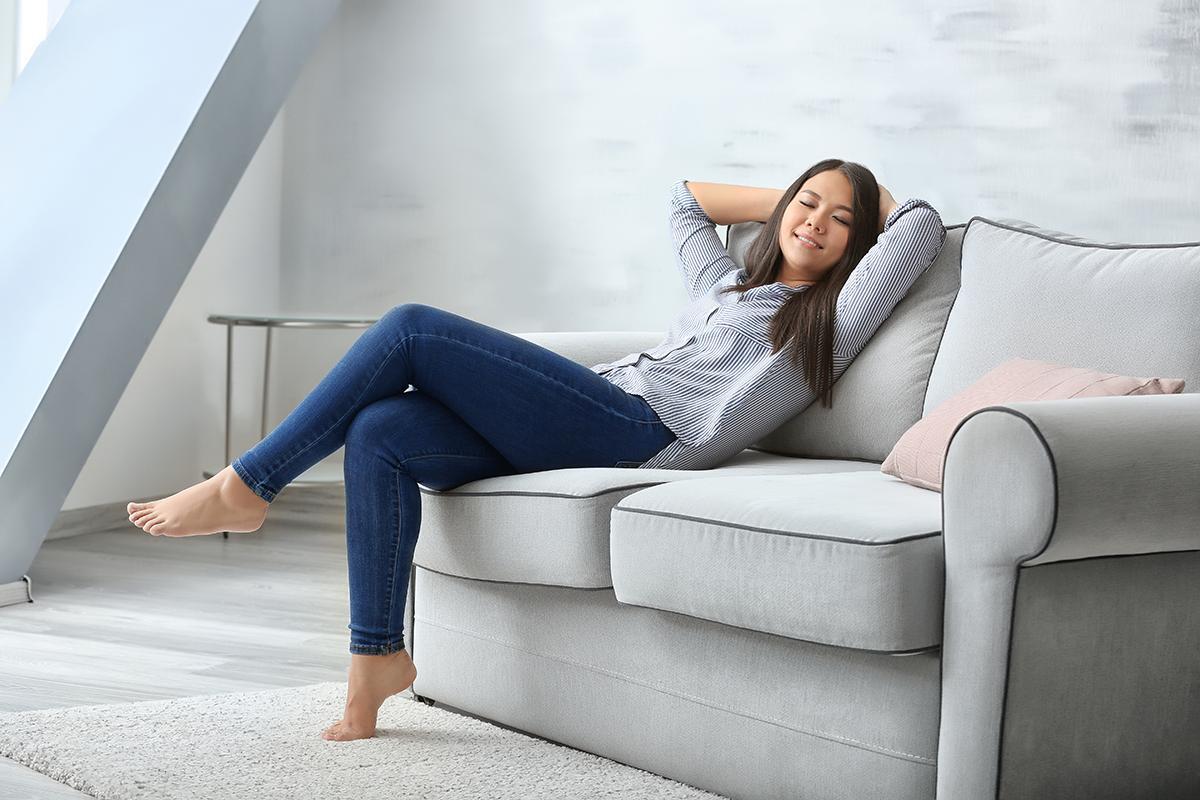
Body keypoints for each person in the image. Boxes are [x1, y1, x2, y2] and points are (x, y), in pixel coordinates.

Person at [125, 157, 946, 741]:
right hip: (602, 407)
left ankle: (250, 481)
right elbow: (685, 198)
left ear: (857, 244)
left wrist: (860, 199)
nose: (817, 223)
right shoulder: (726, 284)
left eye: (841, 220)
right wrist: (791, 198)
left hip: (642, 433)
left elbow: (919, 228)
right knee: (381, 433)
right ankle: (376, 656)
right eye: (809, 204)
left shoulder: (827, 324)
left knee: (410, 328)